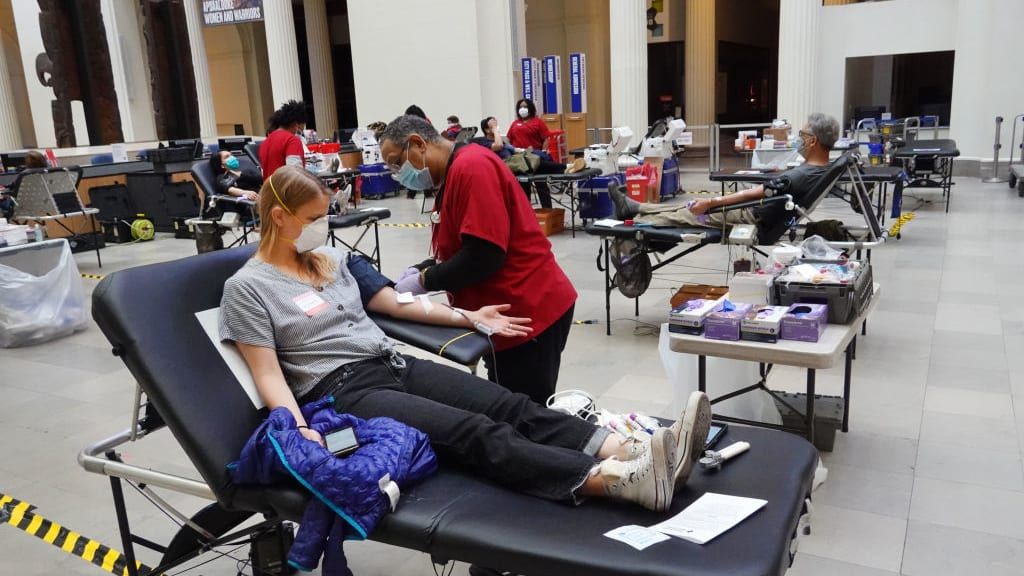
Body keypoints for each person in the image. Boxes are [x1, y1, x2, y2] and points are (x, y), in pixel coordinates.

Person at [218, 165, 713, 514]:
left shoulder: (331, 261)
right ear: (279, 217)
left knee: (508, 405)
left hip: (390, 364)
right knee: (477, 432)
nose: (322, 227)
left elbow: (396, 304)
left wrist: (467, 316)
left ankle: (630, 450)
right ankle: (619, 484)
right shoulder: (248, 287)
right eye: (312, 219)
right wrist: (298, 426)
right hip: (342, 391)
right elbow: (267, 373)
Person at [378, 115, 576, 405]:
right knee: (506, 401)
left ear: (418, 144)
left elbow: (484, 255)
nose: (398, 173)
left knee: (525, 413)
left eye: (397, 162)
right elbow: (462, 244)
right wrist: (425, 267)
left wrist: (424, 281)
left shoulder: (472, 167)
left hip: (526, 311)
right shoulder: (449, 175)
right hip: (498, 317)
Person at [611, 113, 840, 230]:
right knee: (688, 204)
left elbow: (755, 193)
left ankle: (637, 220)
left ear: (812, 141)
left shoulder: (802, 174)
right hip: (760, 211)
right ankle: (638, 207)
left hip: (751, 214)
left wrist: (712, 203)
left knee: (691, 213)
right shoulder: (819, 169)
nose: (798, 139)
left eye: (802, 135)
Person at [472, 116, 585, 208]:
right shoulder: (483, 142)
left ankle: (548, 210)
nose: (497, 127)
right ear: (487, 130)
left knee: (539, 161)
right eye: (493, 126)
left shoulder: (501, 141)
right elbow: (498, 146)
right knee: (536, 163)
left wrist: (527, 150)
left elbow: (513, 149)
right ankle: (567, 167)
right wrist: (495, 129)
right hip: (508, 166)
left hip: (517, 163)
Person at [259, 100, 307, 180]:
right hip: (285, 190)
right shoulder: (292, 140)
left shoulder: (265, 143)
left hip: (269, 190)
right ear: (296, 124)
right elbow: (295, 174)